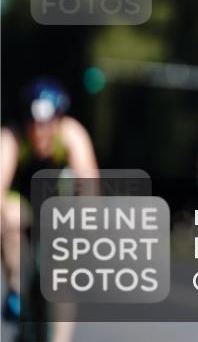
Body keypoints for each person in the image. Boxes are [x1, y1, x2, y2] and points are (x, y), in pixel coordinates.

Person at [0, 77, 99, 342]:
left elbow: (89, 184)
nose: (40, 133)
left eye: (47, 125)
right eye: (34, 125)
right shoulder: (11, 137)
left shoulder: (71, 134)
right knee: (7, 215)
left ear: (58, 119)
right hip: (24, 210)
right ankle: (16, 288)